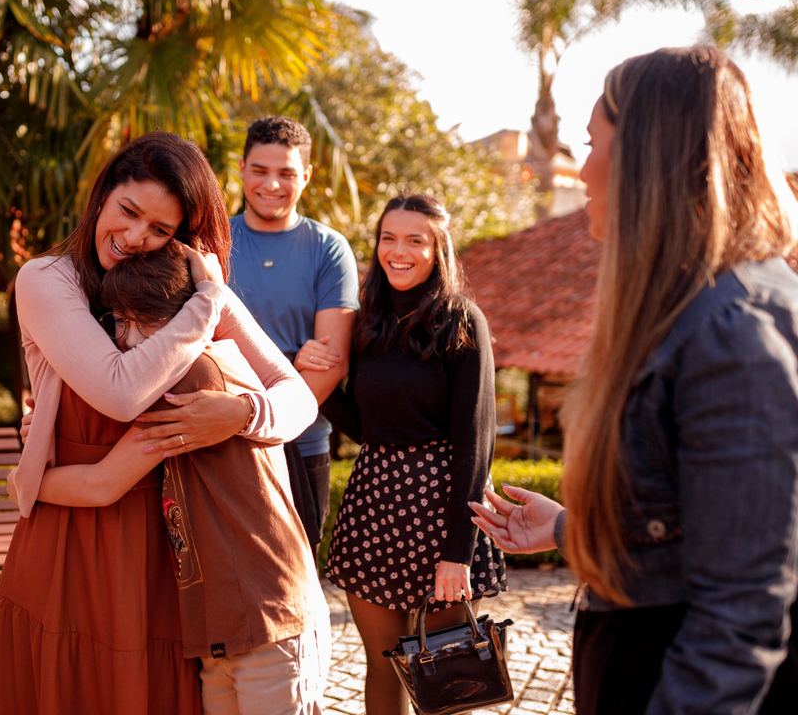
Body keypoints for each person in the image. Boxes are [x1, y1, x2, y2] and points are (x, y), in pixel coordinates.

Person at [469, 46, 798, 715]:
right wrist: (571, 530)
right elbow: (690, 527)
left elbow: (743, 612)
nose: (583, 169)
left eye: (595, 145)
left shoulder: (733, 329)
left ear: (652, 155)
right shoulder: (691, 310)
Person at [0, 131, 317, 714]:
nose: (136, 239)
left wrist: (240, 413)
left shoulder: (188, 289)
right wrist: (208, 303)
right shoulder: (48, 278)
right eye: (128, 212)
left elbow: (299, 397)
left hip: (174, 547)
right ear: (102, 196)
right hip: (73, 543)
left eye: (160, 230)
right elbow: (120, 390)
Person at [34, 242, 330, 714]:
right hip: (230, 621)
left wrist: (26, 480)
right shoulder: (202, 363)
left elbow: (103, 483)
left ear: (189, 315)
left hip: (267, 617)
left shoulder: (189, 379)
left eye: (147, 321)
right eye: (120, 321)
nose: (128, 340)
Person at [319, 193, 506, 715]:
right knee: (382, 662)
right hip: (374, 499)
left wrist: (458, 553)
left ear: (438, 249)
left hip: (443, 507)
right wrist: (323, 383)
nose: (398, 251)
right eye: (388, 238)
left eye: (415, 240)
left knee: (445, 669)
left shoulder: (463, 321)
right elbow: (367, 428)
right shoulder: (367, 322)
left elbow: (476, 440)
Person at [228, 116, 358, 554]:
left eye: (286, 173)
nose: (272, 184)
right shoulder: (211, 241)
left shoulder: (329, 249)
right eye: (260, 170)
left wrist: (253, 421)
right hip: (219, 446)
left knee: (295, 585)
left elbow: (330, 362)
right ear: (242, 167)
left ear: (305, 175)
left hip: (300, 444)